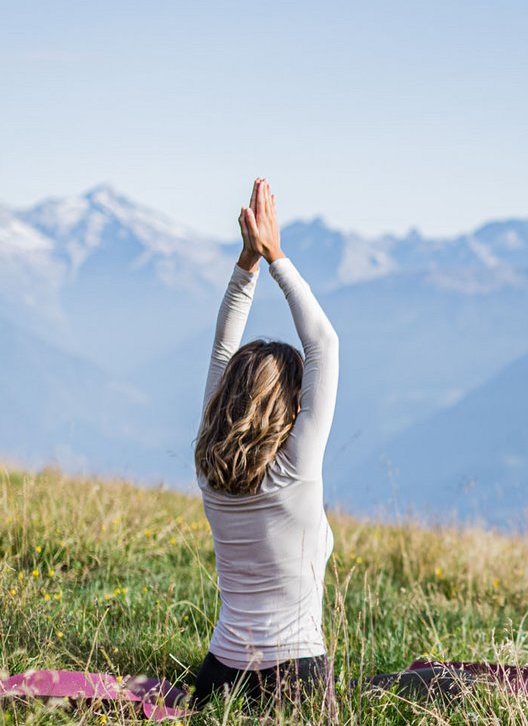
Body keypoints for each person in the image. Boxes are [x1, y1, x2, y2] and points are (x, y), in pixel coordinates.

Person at [189, 179, 342, 715]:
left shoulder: (208, 461)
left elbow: (222, 346)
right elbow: (323, 344)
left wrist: (247, 263)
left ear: (228, 396)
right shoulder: (296, 468)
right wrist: (275, 255)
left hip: (219, 677)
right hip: (294, 680)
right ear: (291, 404)